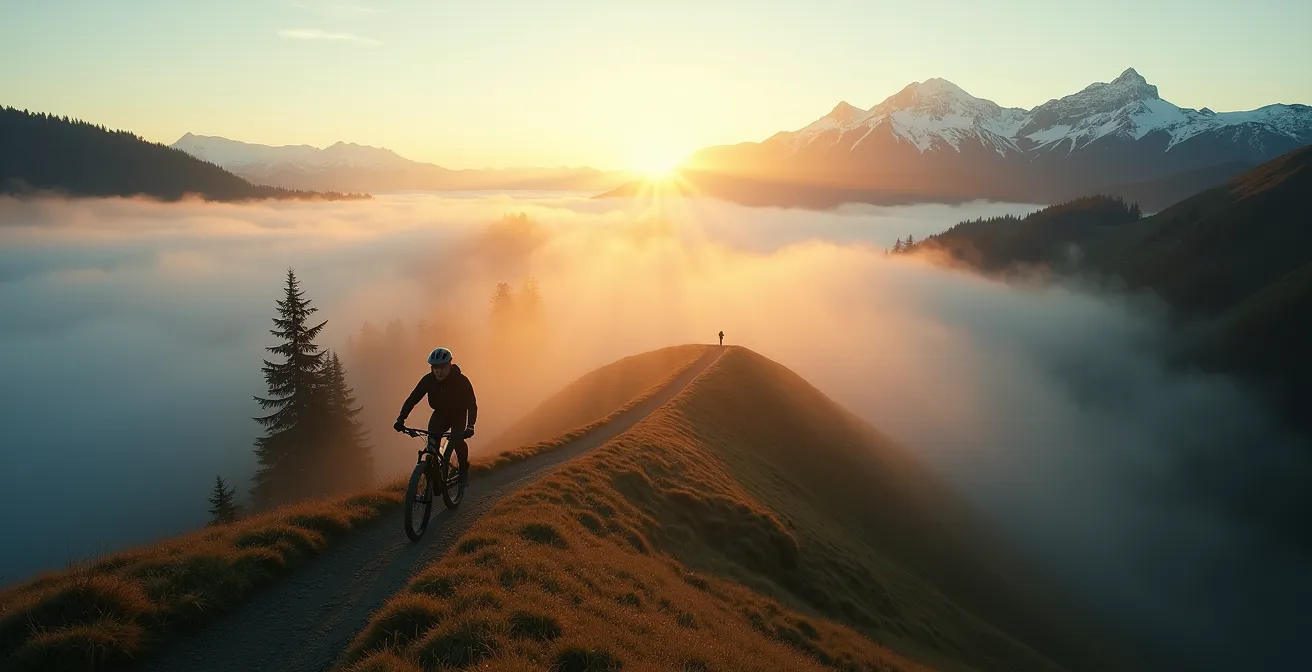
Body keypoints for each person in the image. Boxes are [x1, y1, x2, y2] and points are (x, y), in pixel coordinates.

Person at [394, 347, 478, 484]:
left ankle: (463, 469)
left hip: (458, 415)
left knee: (457, 440)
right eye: (434, 367)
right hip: (439, 415)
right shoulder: (428, 380)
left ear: (449, 364)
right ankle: (434, 477)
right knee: (431, 447)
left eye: (442, 367)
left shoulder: (462, 381)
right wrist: (401, 419)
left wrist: (470, 426)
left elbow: (472, 404)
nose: (438, 371)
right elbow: (413, 399)